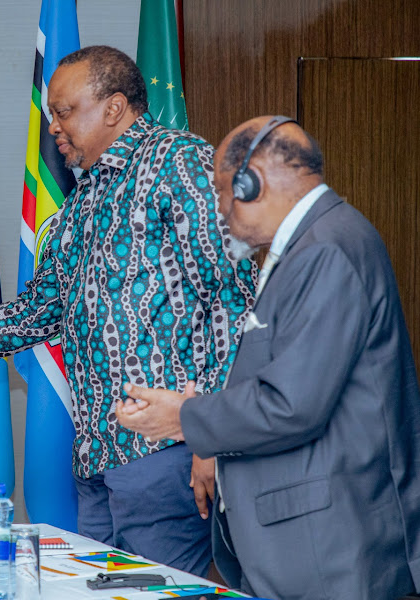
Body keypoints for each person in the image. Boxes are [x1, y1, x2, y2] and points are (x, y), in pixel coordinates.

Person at [0, 46, 256, 575]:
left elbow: (235, 298)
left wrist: (211, 429)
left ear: (114, 108)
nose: (53, 127)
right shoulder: (82, 200)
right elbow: (35, 313)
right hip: (95, 462)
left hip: (164, 457)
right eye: (51, 114)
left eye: (64, 111)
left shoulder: (178, 164)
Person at [116, 116, 420, 600]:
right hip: (309, 544)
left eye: (221, 193)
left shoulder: (327, 250)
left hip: (329, 549)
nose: (219, 211)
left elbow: (292, 405)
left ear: (251, 180)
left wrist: (184, 418)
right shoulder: (314, 244)